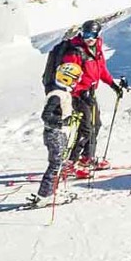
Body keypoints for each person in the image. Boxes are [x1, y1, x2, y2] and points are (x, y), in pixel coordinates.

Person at [62, 20, 128, 177]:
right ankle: (70, 163)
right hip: (79, 95)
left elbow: (101, 70)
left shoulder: (96, 49)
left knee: (95, 125)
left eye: (92, 35)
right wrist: (78, 91)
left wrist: (113, 85)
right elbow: (67, 76)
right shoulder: (75, 52)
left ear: (98, 35)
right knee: (86, 128)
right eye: (86, 34)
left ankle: (87, 158)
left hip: (90, 93)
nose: (89, 38)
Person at [27, 62, 83, 207]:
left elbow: (61, 112)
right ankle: (44, 195)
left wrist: (70, 118)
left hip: (60, 133)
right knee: (55, 164)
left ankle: (53, 191)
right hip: (54, 134)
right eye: (75, 79)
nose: (77, 82)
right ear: (67, 79)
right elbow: (46, 115)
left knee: (61, 162)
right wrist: (62, 122)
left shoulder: (63, 93)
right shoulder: (57, 95)